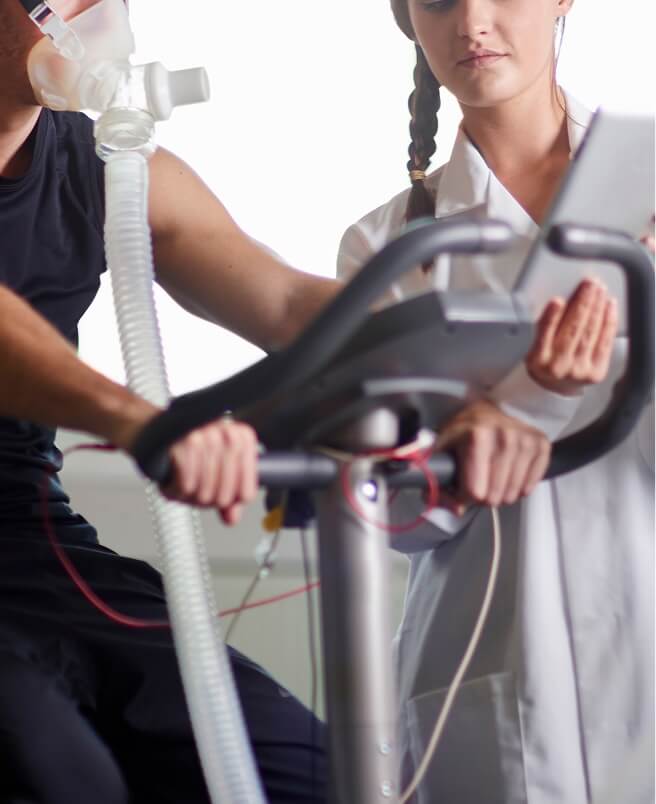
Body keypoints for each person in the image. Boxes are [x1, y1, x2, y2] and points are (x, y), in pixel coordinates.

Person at [0, 1, 341, 802]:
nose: (96, 17)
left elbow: (289, 302)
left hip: (33, 546)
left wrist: (472, 352)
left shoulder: (106, 168)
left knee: (306, 775)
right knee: (62, 774)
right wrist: (140, 419)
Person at [337, 1, 654, 802]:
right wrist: (533, 398)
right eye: (439, 0)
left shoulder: (649, 187)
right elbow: (399, 516)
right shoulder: (385, 248)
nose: (471, 22)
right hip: (493, 669)